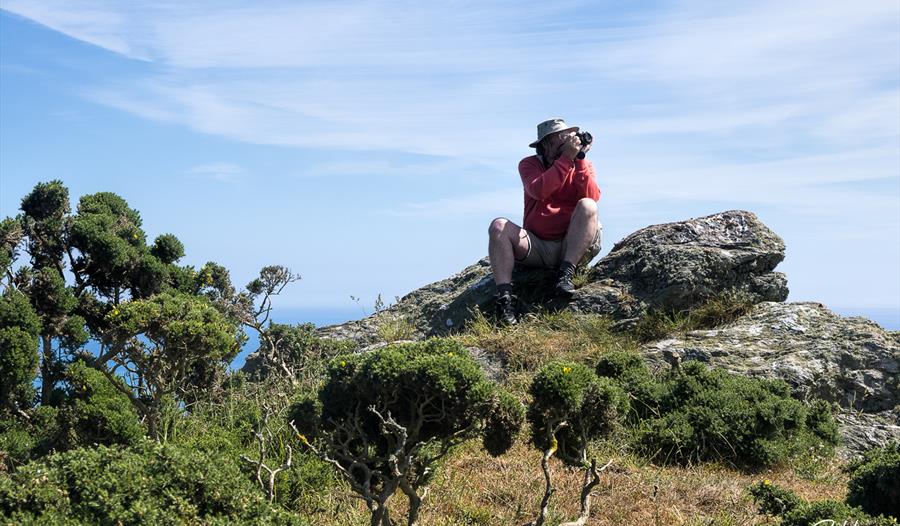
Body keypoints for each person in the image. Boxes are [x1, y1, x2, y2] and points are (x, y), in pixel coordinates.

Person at [487, 118, 602, 325]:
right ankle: (504, 300)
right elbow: (539, 190)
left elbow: (591, 196)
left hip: (572, 245)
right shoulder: (529, 164)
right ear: (546, 143)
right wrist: (566, 159)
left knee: (588, 206)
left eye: (570, 136)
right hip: (538, 245)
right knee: (498, 226)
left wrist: (580, 159)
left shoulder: (581, 164)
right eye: (562, 137)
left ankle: (566, 274)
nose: (569, 141)